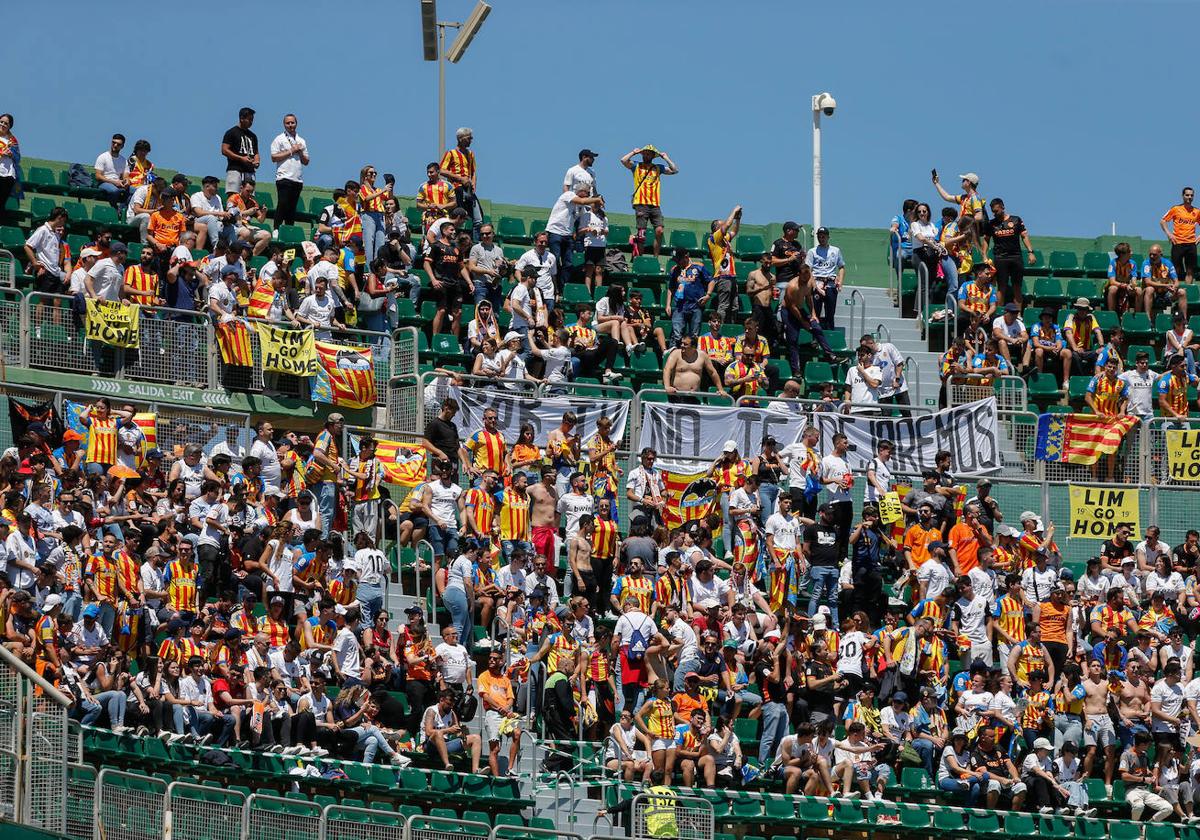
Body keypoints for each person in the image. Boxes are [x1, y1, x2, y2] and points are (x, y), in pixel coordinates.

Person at [620, 145, 678, 257]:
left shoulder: (658, 168)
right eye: (645, 153)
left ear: (652, 156)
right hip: (640, 203)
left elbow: (674, 170)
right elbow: (623, 160)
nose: (646, 155)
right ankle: (640, 259)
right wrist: (633, 152)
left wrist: (666, 158)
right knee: (641, 235)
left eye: (649, 153)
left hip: (655, 204)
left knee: (659, 231)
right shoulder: (636, 166)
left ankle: (655, 258)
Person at [544, 185, 604, 288]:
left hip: (567, 235)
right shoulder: (568, 195)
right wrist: (597, 199)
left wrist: (599, 206)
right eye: (587, 194)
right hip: (555, 232)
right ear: (581, 191)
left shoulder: (581, 208)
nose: (588, 196)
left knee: (568, 263)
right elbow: (582, 201)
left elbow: (591, 210)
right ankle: (553, 285)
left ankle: (563, 287)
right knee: (555, 260)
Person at [987, 198, 1036, 308]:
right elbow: (986, 239)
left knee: (1017, 287)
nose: (995, 214)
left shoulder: (1016, 220)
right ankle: (999, 314)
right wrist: (984, 255)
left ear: (1002, 207)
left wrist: (1030, 252)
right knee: (1001, 287)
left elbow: (1024, 236)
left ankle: (1017, 315)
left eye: (997, 211)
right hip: (1000, 258)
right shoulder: (991, 223)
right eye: (993, 212)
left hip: (1015, 257)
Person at [269, 113, 308, 229]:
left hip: (297, 179)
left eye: (292, 122)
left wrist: (299, 151)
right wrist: (291, 150)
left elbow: (306, 161)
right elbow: (274, 157)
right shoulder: (279, 139)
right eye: (288, 123)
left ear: (296, 123)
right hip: (284, 178)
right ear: (284, 124)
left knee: (292, 209)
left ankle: (289, 231)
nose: (290, 125)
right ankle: (276, 230)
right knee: (282, 205)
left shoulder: (301, 140)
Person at [706, 205, 742, 325]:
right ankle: (718, 328)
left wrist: (738, 219)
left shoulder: (725, 238)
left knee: (734, 307)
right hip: (723, 276)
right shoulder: (714, 238)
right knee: (724, 305)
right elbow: (727, 225)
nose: (725, 226)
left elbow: (734, 231)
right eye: (721, 225)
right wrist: (734, 211)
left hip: (732, 276)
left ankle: (731, 329)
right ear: (716, 228)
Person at [807, 226, 845, 330]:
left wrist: (840, 282)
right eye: (819, 237)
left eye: (823, 236)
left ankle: (830, 334)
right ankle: (815, 336)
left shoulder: (835, 251)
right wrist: (815, 286)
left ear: (828, 237)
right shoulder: (812, 252)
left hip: (830, 284)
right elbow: (808, 270)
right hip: (817, 282)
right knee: (815, 312)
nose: (821, 239)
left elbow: (841, 267)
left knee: (830, 313)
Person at [1161, 186, 1200, 284]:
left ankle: (1187, 292)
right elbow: (1163, 221)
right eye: (1187, 195)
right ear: (1183, 196)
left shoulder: (1197, 211)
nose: (1189, 197)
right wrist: (1169, 234)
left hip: (1191, 244)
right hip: (1178, 242)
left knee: (1190, 270)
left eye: (1191, 195)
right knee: (1175, 270)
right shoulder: (1176, 209)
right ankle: (1173, 291)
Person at [221, 107, 259, 196]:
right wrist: (241, 158)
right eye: (249, 119)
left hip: (249, 171)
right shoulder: (231, 132)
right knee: (233, 196)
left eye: (252, 120)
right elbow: (224, 150)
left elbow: (256, 152)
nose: (251, 122)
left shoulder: (253, 136)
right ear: (242, 118)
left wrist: (257, 161)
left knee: (249, 198)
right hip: (235, 169)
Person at [94, 133, 130, 211]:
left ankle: (123, 210)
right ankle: (115, 210)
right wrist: (114, 182)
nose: (115, 145)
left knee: (135, 191)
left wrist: (126, 181)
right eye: (114, 142)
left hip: (118, 183)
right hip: (104, 183)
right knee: (114, 191)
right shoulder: (102, 157)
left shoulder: (123, 160)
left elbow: (126, 176)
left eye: (118, 144)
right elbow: (98, 176)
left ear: (122, 146)